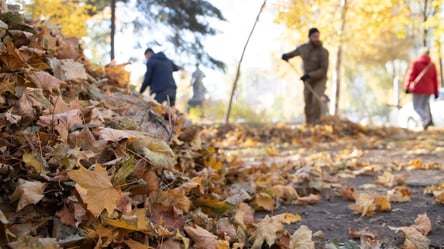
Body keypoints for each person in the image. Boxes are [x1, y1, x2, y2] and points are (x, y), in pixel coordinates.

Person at [282, 27, 329, 125]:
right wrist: (286, 56)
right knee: (307, 101)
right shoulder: (303, 49)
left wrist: (309, 75)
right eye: (314, 36)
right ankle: (308, 123)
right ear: (309, 37)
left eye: (318, 36)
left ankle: (317, 122)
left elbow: (323, 70)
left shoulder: (323, 52)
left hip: (319, 79)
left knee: (316, 99)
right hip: (307, 80)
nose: (316, 38)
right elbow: (294, 52)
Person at [404, 47, 438, 130]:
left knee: (417, 107)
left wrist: (407, 86)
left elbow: (411, 76)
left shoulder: (416, 63)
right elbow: (435, 79)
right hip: (429, 89)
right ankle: (425, 123)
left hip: (418, 89)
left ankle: (426, 118)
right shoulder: (432, 65)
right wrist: (435, 91)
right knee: (424, 106)